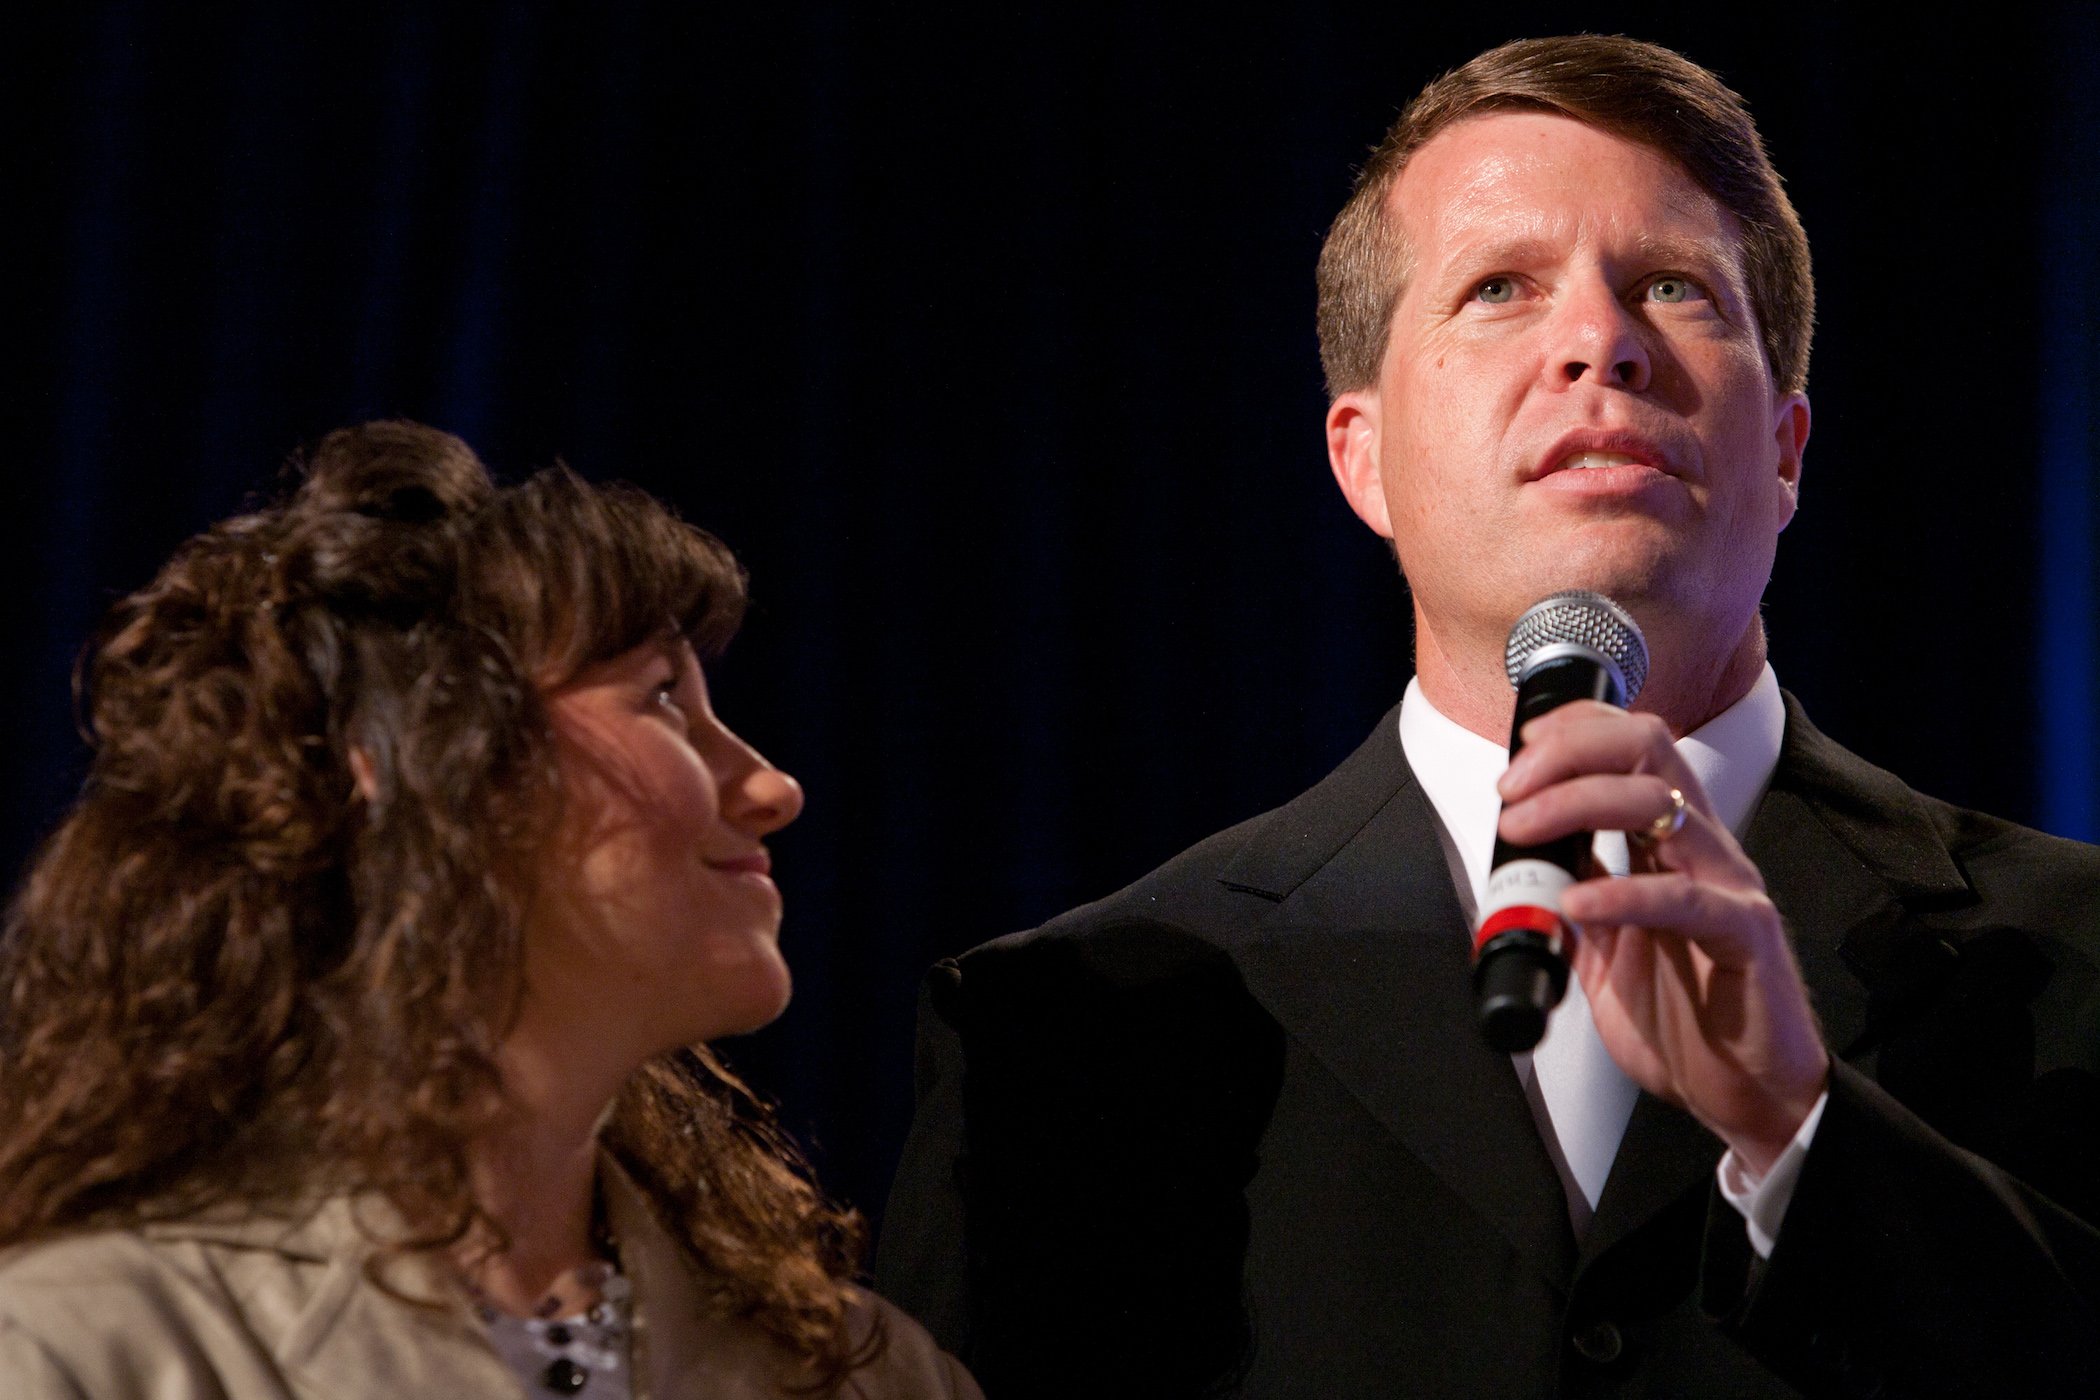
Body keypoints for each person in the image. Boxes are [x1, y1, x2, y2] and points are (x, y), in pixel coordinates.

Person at [876, 35, 2100, 1398]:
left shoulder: (2079, 952)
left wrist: (1800, 1132)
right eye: (1500, 288)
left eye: (1674, 287)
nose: (1600, 342)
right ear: (1363, 459)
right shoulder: (1066, 1028)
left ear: (1784, 451)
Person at [0, 421, 982, 1400]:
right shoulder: (91, 1352)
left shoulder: (869, 1375)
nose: (773, 787)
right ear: (419, 769)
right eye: (661, 698)